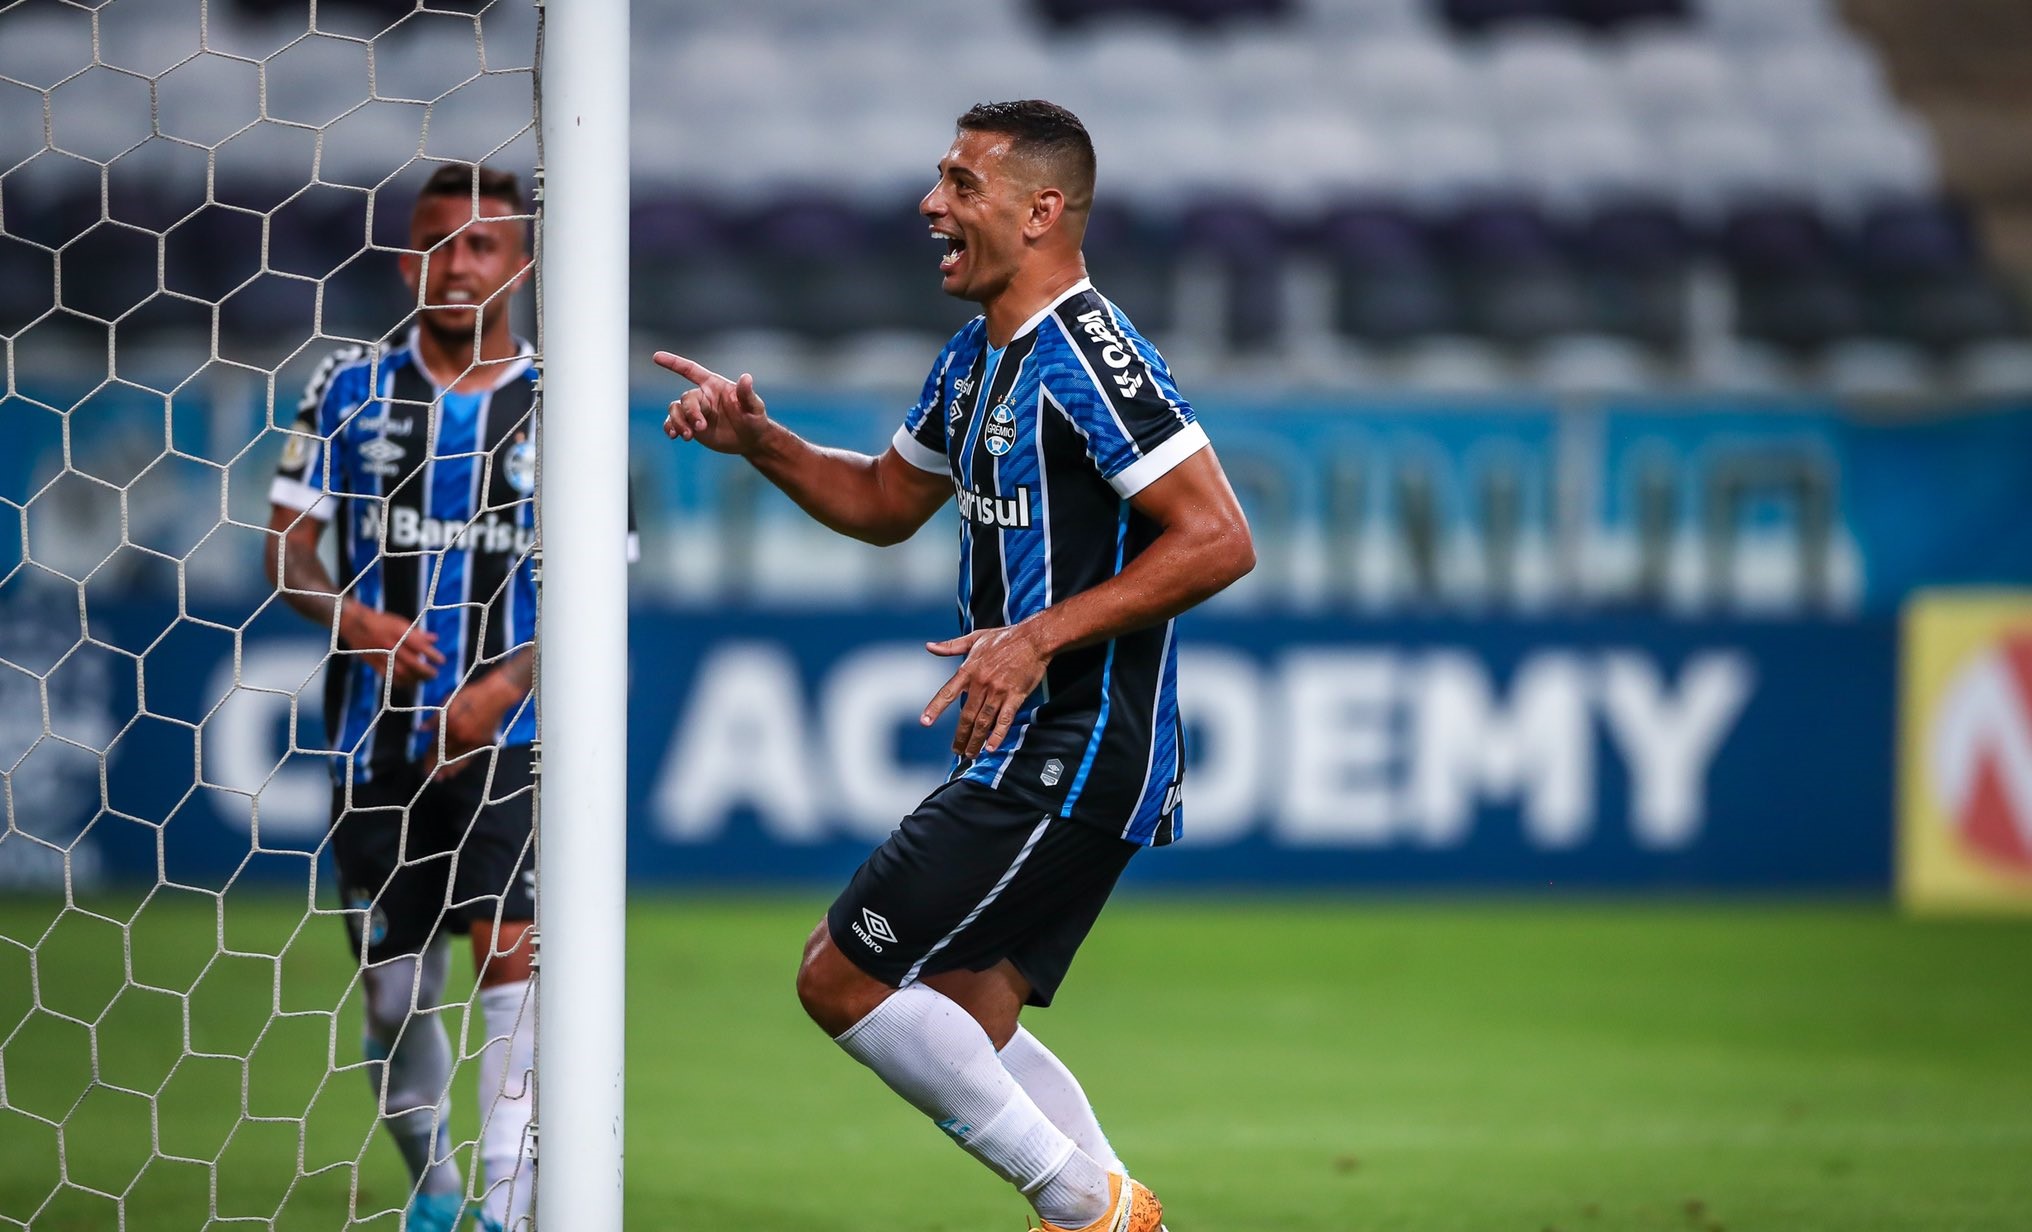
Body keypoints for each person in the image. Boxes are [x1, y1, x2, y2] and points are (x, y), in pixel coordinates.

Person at [655, 100, 1254, 1232]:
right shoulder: (975, 358)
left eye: (960, 184)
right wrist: (766, 442)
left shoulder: (1091, 357)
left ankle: (1087, 1204)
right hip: (1055, 747)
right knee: (965, 1010)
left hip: (1075, 742)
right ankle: (1108, 1214)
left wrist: (1035, 634)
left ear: (1039, 211)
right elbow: (885, 502)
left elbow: (1220, 537)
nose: (932, 204)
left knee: (839, 975)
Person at [265, 163, 604, 1232]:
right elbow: (289, 548)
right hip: (375, 744)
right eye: (435, 242)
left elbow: (606, 572)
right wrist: (355, 623)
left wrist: (505, 680)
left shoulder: (567, 401)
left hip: (518, 736)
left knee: (512, 949)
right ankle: (434, 1184)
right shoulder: (345, 388)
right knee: (392, 995)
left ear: (522, 260)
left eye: (481, 244)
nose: (455, 264)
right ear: (408, 257)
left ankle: (506, 1211)